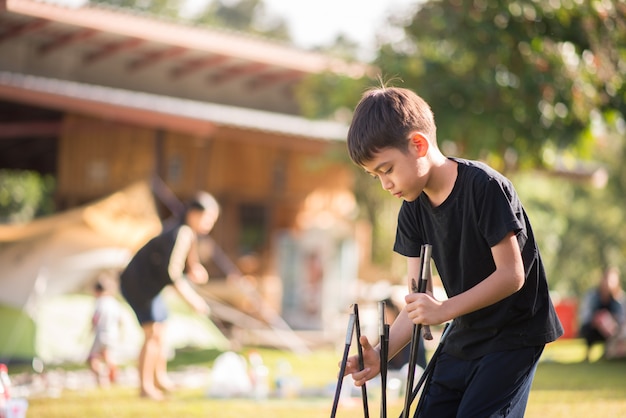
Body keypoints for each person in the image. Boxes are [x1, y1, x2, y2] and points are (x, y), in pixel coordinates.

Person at [342, 86, 563, 417]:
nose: (385, 184)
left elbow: (512, 275)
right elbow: (419, 302)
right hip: (463, 332)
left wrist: (444, 310)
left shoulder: (483, 187)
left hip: (514, 334)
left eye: (387, 169)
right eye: (376, 176)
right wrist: (379, 353)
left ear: (418, 144)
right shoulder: (411, 210)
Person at [120, 191, 217, 400]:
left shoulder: (186, 232)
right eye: (208, 218)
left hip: (152, 287)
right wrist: (193, 300)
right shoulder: (179, 232)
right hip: (138, 284)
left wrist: (194, 268)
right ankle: (145, 388)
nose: (210, 224)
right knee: (153, 333)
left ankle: (160, 379)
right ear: (193, 214)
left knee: (161, 330)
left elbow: (189, 256)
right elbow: (171, 274)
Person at [578, 267, 625, 361]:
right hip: (594, 328)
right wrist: (595, 320)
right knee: (589, 328)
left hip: (614, 330)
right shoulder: (592, 296)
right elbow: (584, 316)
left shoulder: (620, 299)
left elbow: (622, 318)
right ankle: (590, 352)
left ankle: (610, 352)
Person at [87, 271, 123, 387]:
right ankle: (113, 376)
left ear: (97, 291)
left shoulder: (99, 303)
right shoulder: (114, 303)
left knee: (93, 357)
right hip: (113, 335)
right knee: (109, 356)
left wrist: (91, 329)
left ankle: (101, 377)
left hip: (101, 335)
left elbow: (95, 319)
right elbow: (120, 320)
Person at [382, 297, 426, 371]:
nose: (384, 320)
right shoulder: (384, 337)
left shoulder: (409, 336)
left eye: (386, 314)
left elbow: (416, 363)